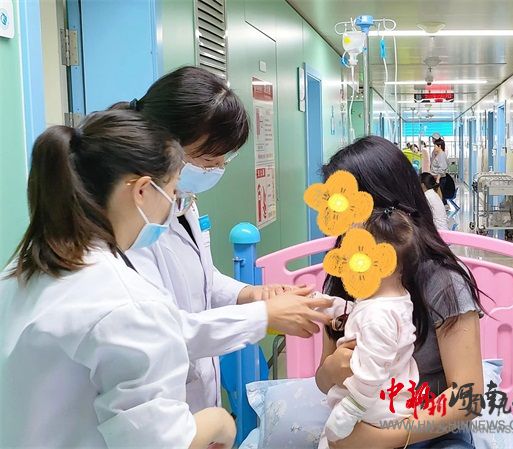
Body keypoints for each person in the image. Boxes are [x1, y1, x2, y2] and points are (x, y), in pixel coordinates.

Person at [0, 110, 235, 449]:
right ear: (142, 191)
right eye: (173, 194)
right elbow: (161, 444)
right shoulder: (129, 304)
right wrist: (220, 423)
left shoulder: (18, 275)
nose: (173, 208)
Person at [112, 66, 332, 412]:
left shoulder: (181, 199)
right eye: (206, 159)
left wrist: (250, 294)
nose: (215, 170)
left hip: (191, 396)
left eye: (222, 160)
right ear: (164, 143)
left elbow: (202, 280)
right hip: (155, 403)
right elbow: (155, 331)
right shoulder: (128, 222)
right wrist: (262, 316)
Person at [316, 136, 485, 449]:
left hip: (430, 432)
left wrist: (384, 438)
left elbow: (468, 397)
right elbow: (324, 378)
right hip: (357, 422)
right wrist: (330, 371)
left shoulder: (443, 281)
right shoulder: (344, 276)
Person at [316, 208, 420, 449]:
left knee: (330, 440)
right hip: (388, 405)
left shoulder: (377, 316)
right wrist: (326, 304)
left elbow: (372, 372)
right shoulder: (394, 300)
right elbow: (357, 312)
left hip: (370, 410)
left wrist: (348, 411)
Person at [430, 137, 450, 207]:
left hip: (439, 179)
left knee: (440, 194)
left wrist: (438, 179)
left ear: (439, 146)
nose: (434, 148)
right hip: (437, 178)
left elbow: (442, 168)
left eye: (435, 146)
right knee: (439, 194)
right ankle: (442, 206)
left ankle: (444, 206)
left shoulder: (441, 155)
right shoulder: (439, 154)